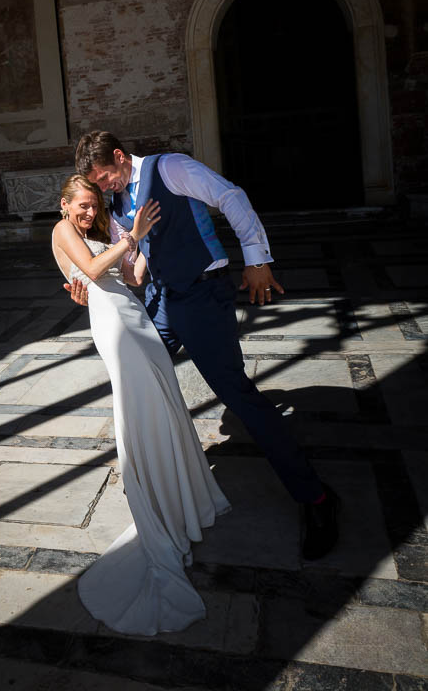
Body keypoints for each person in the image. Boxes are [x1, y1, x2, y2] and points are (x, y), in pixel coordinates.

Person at [70, 131, 339, 561]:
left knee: (238, 395)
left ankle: (317, 499)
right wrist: (86, 280)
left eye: (104, 178)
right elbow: (135, 272)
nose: (103, 189)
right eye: (97, 185)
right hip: (161, 301)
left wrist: (256, 260)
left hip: (202, 296)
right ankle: (160, 480)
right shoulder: (118, 202)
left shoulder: (171, 168)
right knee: (138, 373)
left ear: (119, 157)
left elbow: (230, 196)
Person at [52, 174, 231, 635]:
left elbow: (131, 277)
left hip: (136, 316)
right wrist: (130, 235)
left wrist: (141, 244)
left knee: (165, 399)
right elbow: (90, 275)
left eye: (94, 205)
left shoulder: (103, 230)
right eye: (82, 206)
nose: (90, 213)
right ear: (65, 206)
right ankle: (153, 497)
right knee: (136, 405)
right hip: (110, 323)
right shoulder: (62, 230)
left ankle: (179, 490)